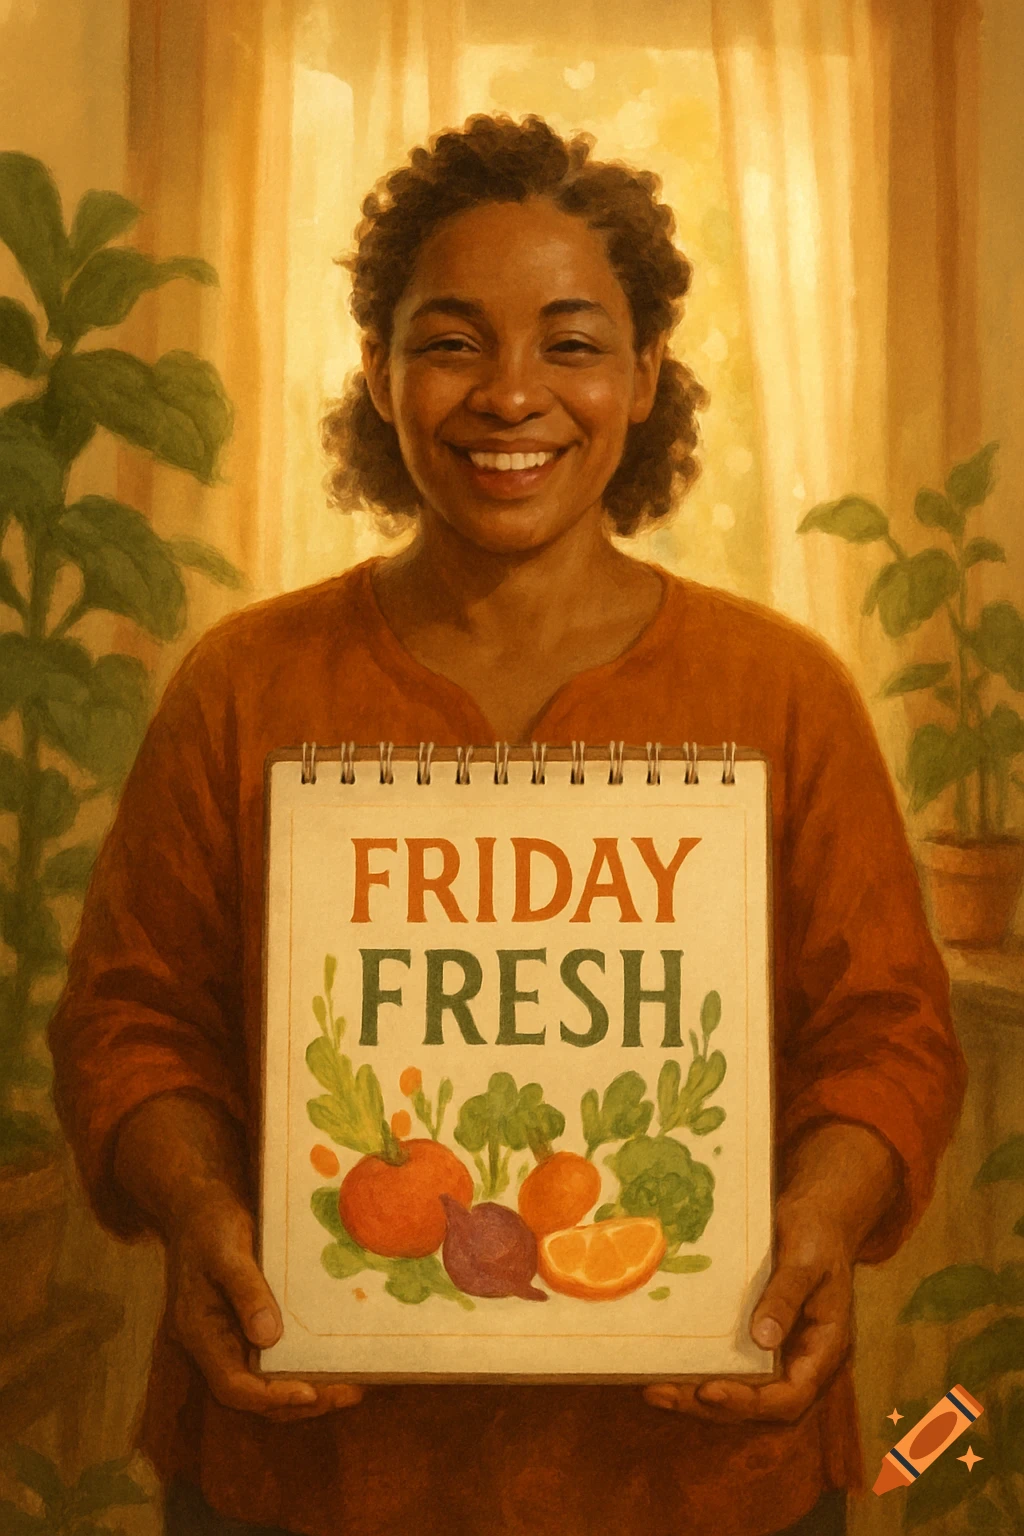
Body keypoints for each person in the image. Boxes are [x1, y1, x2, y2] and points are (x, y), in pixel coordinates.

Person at [49, 115, 966, 1536]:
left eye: (572, 342)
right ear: (379, 372)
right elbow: (132, 1020)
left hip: (699, 1467)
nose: (512, 394)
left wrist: (823, 1224)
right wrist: (200, 1212)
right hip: (316, 1465)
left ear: (647, 376)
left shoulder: (782, 693)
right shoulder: (244, 686)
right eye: (452, 342)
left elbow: (889, 1035)